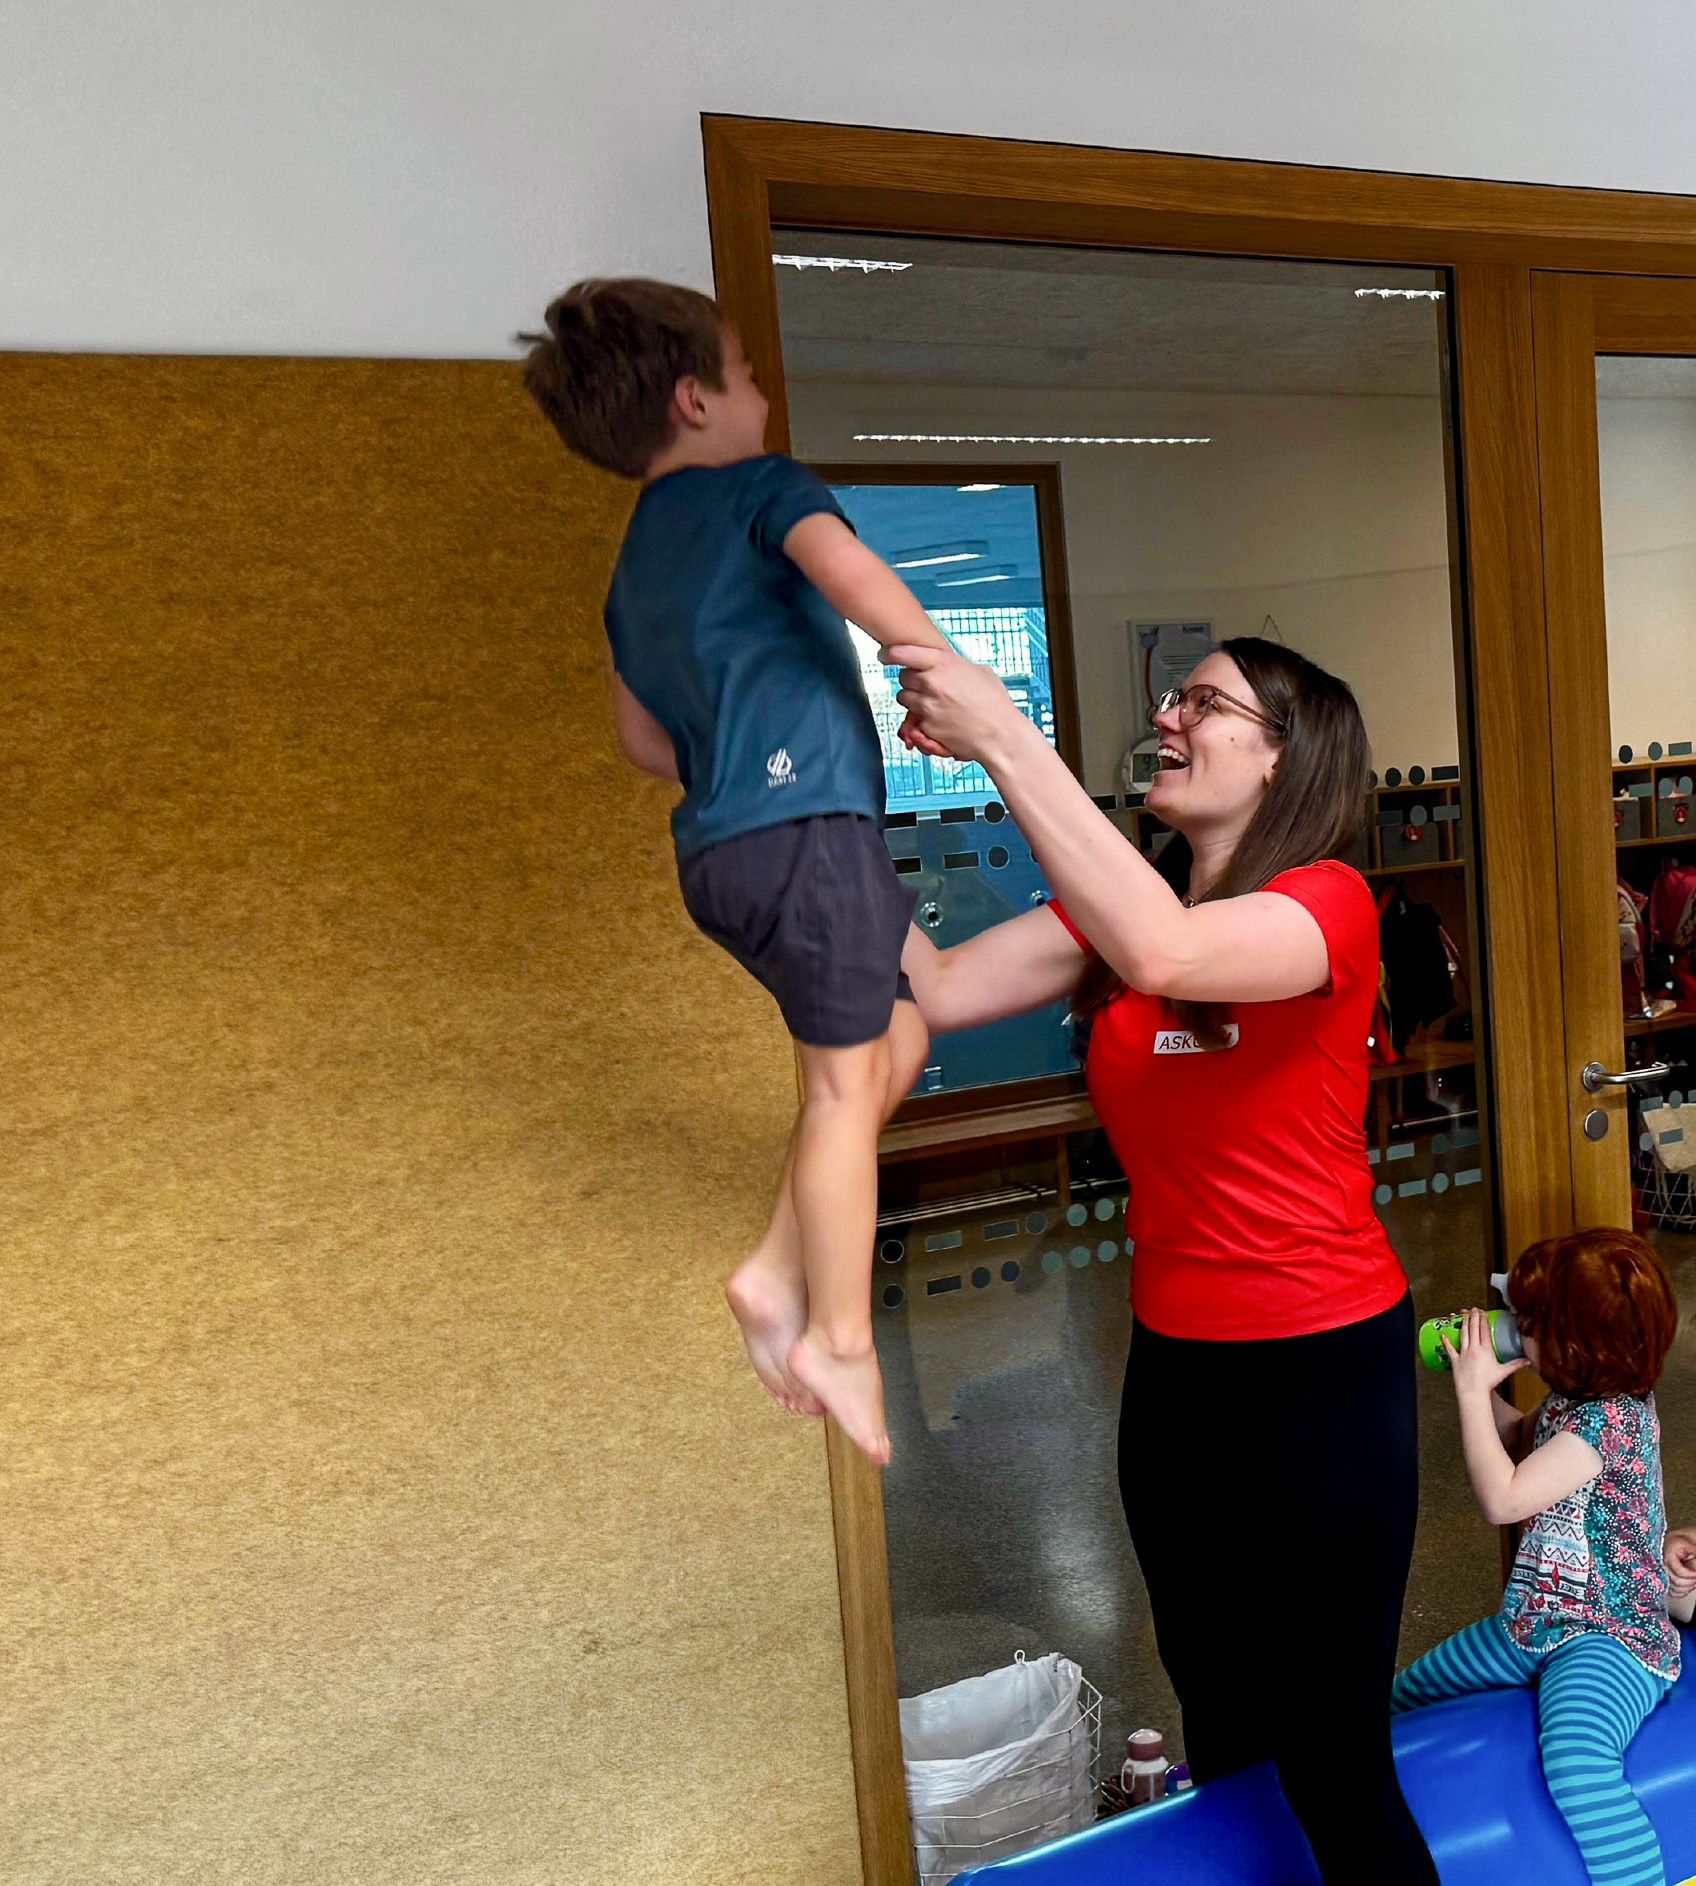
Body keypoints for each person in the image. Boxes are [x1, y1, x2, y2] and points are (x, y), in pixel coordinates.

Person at [894, 635, 1440, 1881]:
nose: (1169, 714)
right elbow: (932, 981)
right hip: (1180, 1381)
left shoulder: (1327, 904)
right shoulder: (1126, 907)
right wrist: (801, 808)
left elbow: (1174, 957)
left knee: (1332, 1753)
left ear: (1281, 751)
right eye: (1172, 694)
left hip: (1322, 1376)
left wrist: (1001, 736)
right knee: (1229, 1728)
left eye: (1203, 699)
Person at [517, 278, 958, 1464]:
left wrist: (732, 753)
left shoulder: (634, 567)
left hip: (724, 852)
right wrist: (938, 671)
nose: (766, 394)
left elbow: (642, 739)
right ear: (697, 396)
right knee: (836, 1089)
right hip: (807, 828)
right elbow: (853, 577)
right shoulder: (765, 488)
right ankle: (841, 1338)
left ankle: (772, 1271)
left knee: (897, 1045)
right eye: (751, 373)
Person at [1394, 1228, 1683, 1886]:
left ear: (1576, 1345)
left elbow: (1505, 1497)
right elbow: (1519, 1443)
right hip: (1540, 1621)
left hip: (1611, 1635)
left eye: (1530, 1323)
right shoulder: (1574, 1403)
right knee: (1411, 1693)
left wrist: (1470, 1395)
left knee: (1578, 1760)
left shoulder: (1611, 1424)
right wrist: (1481, 1384)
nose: (1515, 1328)